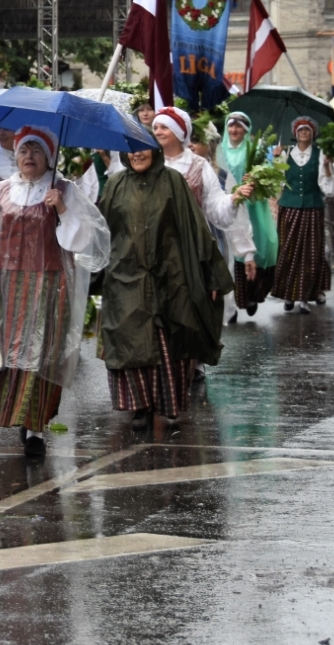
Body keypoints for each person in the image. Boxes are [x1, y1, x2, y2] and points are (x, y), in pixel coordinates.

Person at [0, 126, 108, 457]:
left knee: (43, 353)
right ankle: (18, 415)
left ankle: (36, 429)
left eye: (37, 151)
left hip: (49, 285)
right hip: (7, 285)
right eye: (24, 150)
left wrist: (61, 210)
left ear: (49, 157)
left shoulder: (63, 190)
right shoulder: (2, 190)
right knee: (10, 354)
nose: (29, 156)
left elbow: (81, 241)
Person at [98, 144, 232, 428]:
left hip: (170, 274)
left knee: (170, 339)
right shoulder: (115, 184)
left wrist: (211, 274)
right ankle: (140, 407)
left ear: (155, 151)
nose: (137, 154)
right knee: (131, 338)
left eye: (143, 149)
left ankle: (168, 403)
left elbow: (195, 227)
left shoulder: (173, 181)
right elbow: (102, 230)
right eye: (131, 150)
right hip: (126, 276)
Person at [151, 109, 257, 312]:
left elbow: (215, 207)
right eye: (155, 127)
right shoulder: (151, 163)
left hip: (191, 245)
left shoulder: (199, 166)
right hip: (156, 244)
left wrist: (233, 199)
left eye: (164, 127)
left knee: (188, 308)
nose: (158, 131)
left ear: (179, 132)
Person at [271, 117, 334, 313]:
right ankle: (288, 294)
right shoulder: (285, 154)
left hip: (313, 207)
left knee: (310, 253)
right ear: (295, 133)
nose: (304, 133)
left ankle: (305, 297)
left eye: (307, 130)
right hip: (290, 207)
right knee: (288, 251)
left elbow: (329, 187)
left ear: (313, 133)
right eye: (301, 130)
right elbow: (277, 182)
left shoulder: (321, 155)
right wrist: (276, 160)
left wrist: (328, 165)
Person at [215, 112, 277, 317]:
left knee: (259, 245)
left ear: (246, 129)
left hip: (251, 205)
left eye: (239, 127)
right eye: (231, 126)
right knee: (228, 252)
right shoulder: (219, 150)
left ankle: (251, 294)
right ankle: (232, 303)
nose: (234, 131)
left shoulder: (255, 150)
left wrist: (256, 177)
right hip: (224, 205)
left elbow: (269, 177)